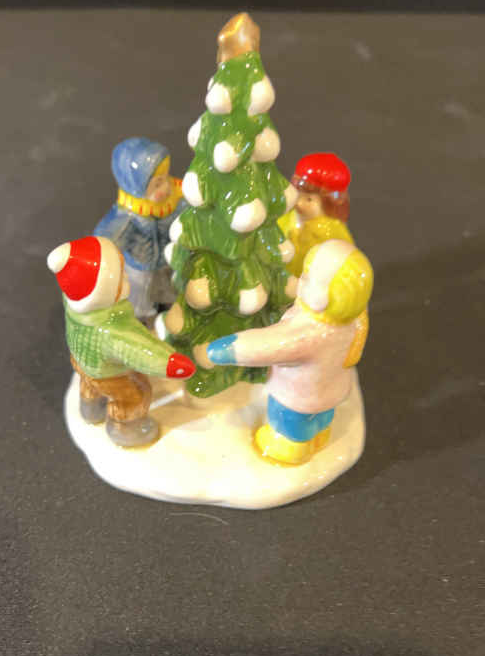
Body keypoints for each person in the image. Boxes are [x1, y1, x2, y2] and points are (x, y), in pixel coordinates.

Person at [207, 239, 373, 465]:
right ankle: (319, 434)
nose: (302, 280)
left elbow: (269, 344)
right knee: (321, 417)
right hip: (331, 390)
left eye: (308, 278)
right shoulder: (355, 320)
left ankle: (288, 447)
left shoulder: (309, 333)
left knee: (289, 424)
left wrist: (230, 348)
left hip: (297, 396)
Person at [47, 235, 195, 447]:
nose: (125, 276)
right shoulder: (112, 330)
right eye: (119, 275)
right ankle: (127, 430)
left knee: (90, 384)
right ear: (103, 291)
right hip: (110, 373)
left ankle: (91, 410)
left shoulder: (76, 306)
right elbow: (138, 350)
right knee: (135, 394)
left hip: (82, 361)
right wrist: (170, 363)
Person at [93, 137, 184, 320]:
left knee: (168, 289)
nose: (166, 186)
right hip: (141, 267)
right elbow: (107, 239)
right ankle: (145, 321)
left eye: (166, 178)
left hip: (168, 260)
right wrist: (102, 258)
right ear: (136, 186)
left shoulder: (175, 200)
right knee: (142, 296)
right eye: (157, 184)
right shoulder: (128, 216)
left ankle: (170, 312)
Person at [279, 152, 354, 278]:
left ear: (328, 204)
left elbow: (343, 264)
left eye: (309, 199)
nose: (299, 202)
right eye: (297, 194)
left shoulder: (333, 234)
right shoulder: (285, 219)